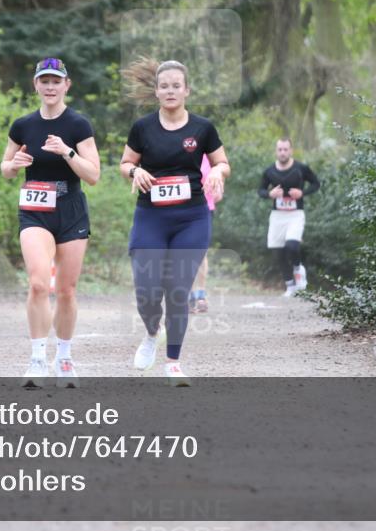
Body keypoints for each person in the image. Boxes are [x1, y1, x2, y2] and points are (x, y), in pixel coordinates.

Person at [119, 58, 230, 386]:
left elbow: (221, 162)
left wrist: (218, 176)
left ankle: (173, 362)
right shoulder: (143, 128)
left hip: (191, 217)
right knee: (146, 291)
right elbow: (125, 162)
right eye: (164, 86)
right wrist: (135, 171)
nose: (170, 91)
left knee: (178, 290)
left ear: (186, 90)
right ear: (156, 91)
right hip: (151, 216)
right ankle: (152, 334)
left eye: (175, 86)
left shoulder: (202, 128)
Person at [0, 58, 100, 388]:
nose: (50, 86)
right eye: (44, 81)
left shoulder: (78, 125)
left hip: (70, 209)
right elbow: (6, 167)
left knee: (67, 291)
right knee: (39, 284)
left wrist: (67, 153)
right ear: (36, 85)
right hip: (35, 208)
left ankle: (65, 358)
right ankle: (37, 359)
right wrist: (14, 164)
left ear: (67, 85)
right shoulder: (22, 125)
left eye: (56, 81)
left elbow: (94, 175)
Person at [257, 138, 320, 296]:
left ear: (291, 150)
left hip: (295, 214)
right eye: (280, 149)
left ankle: (299, 269)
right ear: (276, 151)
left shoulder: (301, 168)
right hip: (277, 215)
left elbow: (316, 183)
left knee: (292, 246)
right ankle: (290, 285)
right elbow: (261, 190)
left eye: (286, 149)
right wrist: (270, 194)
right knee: (278, 252)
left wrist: (302, 193)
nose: (283, 153)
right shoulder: (269, 171)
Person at [189, 154, 219, 313]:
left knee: (201, 253)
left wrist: (216, 190)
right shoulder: (180, 151)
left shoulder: (211, 156)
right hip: (182, 208)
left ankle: (200, 295)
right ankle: (188, 295)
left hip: (205, 209)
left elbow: (219, 191)